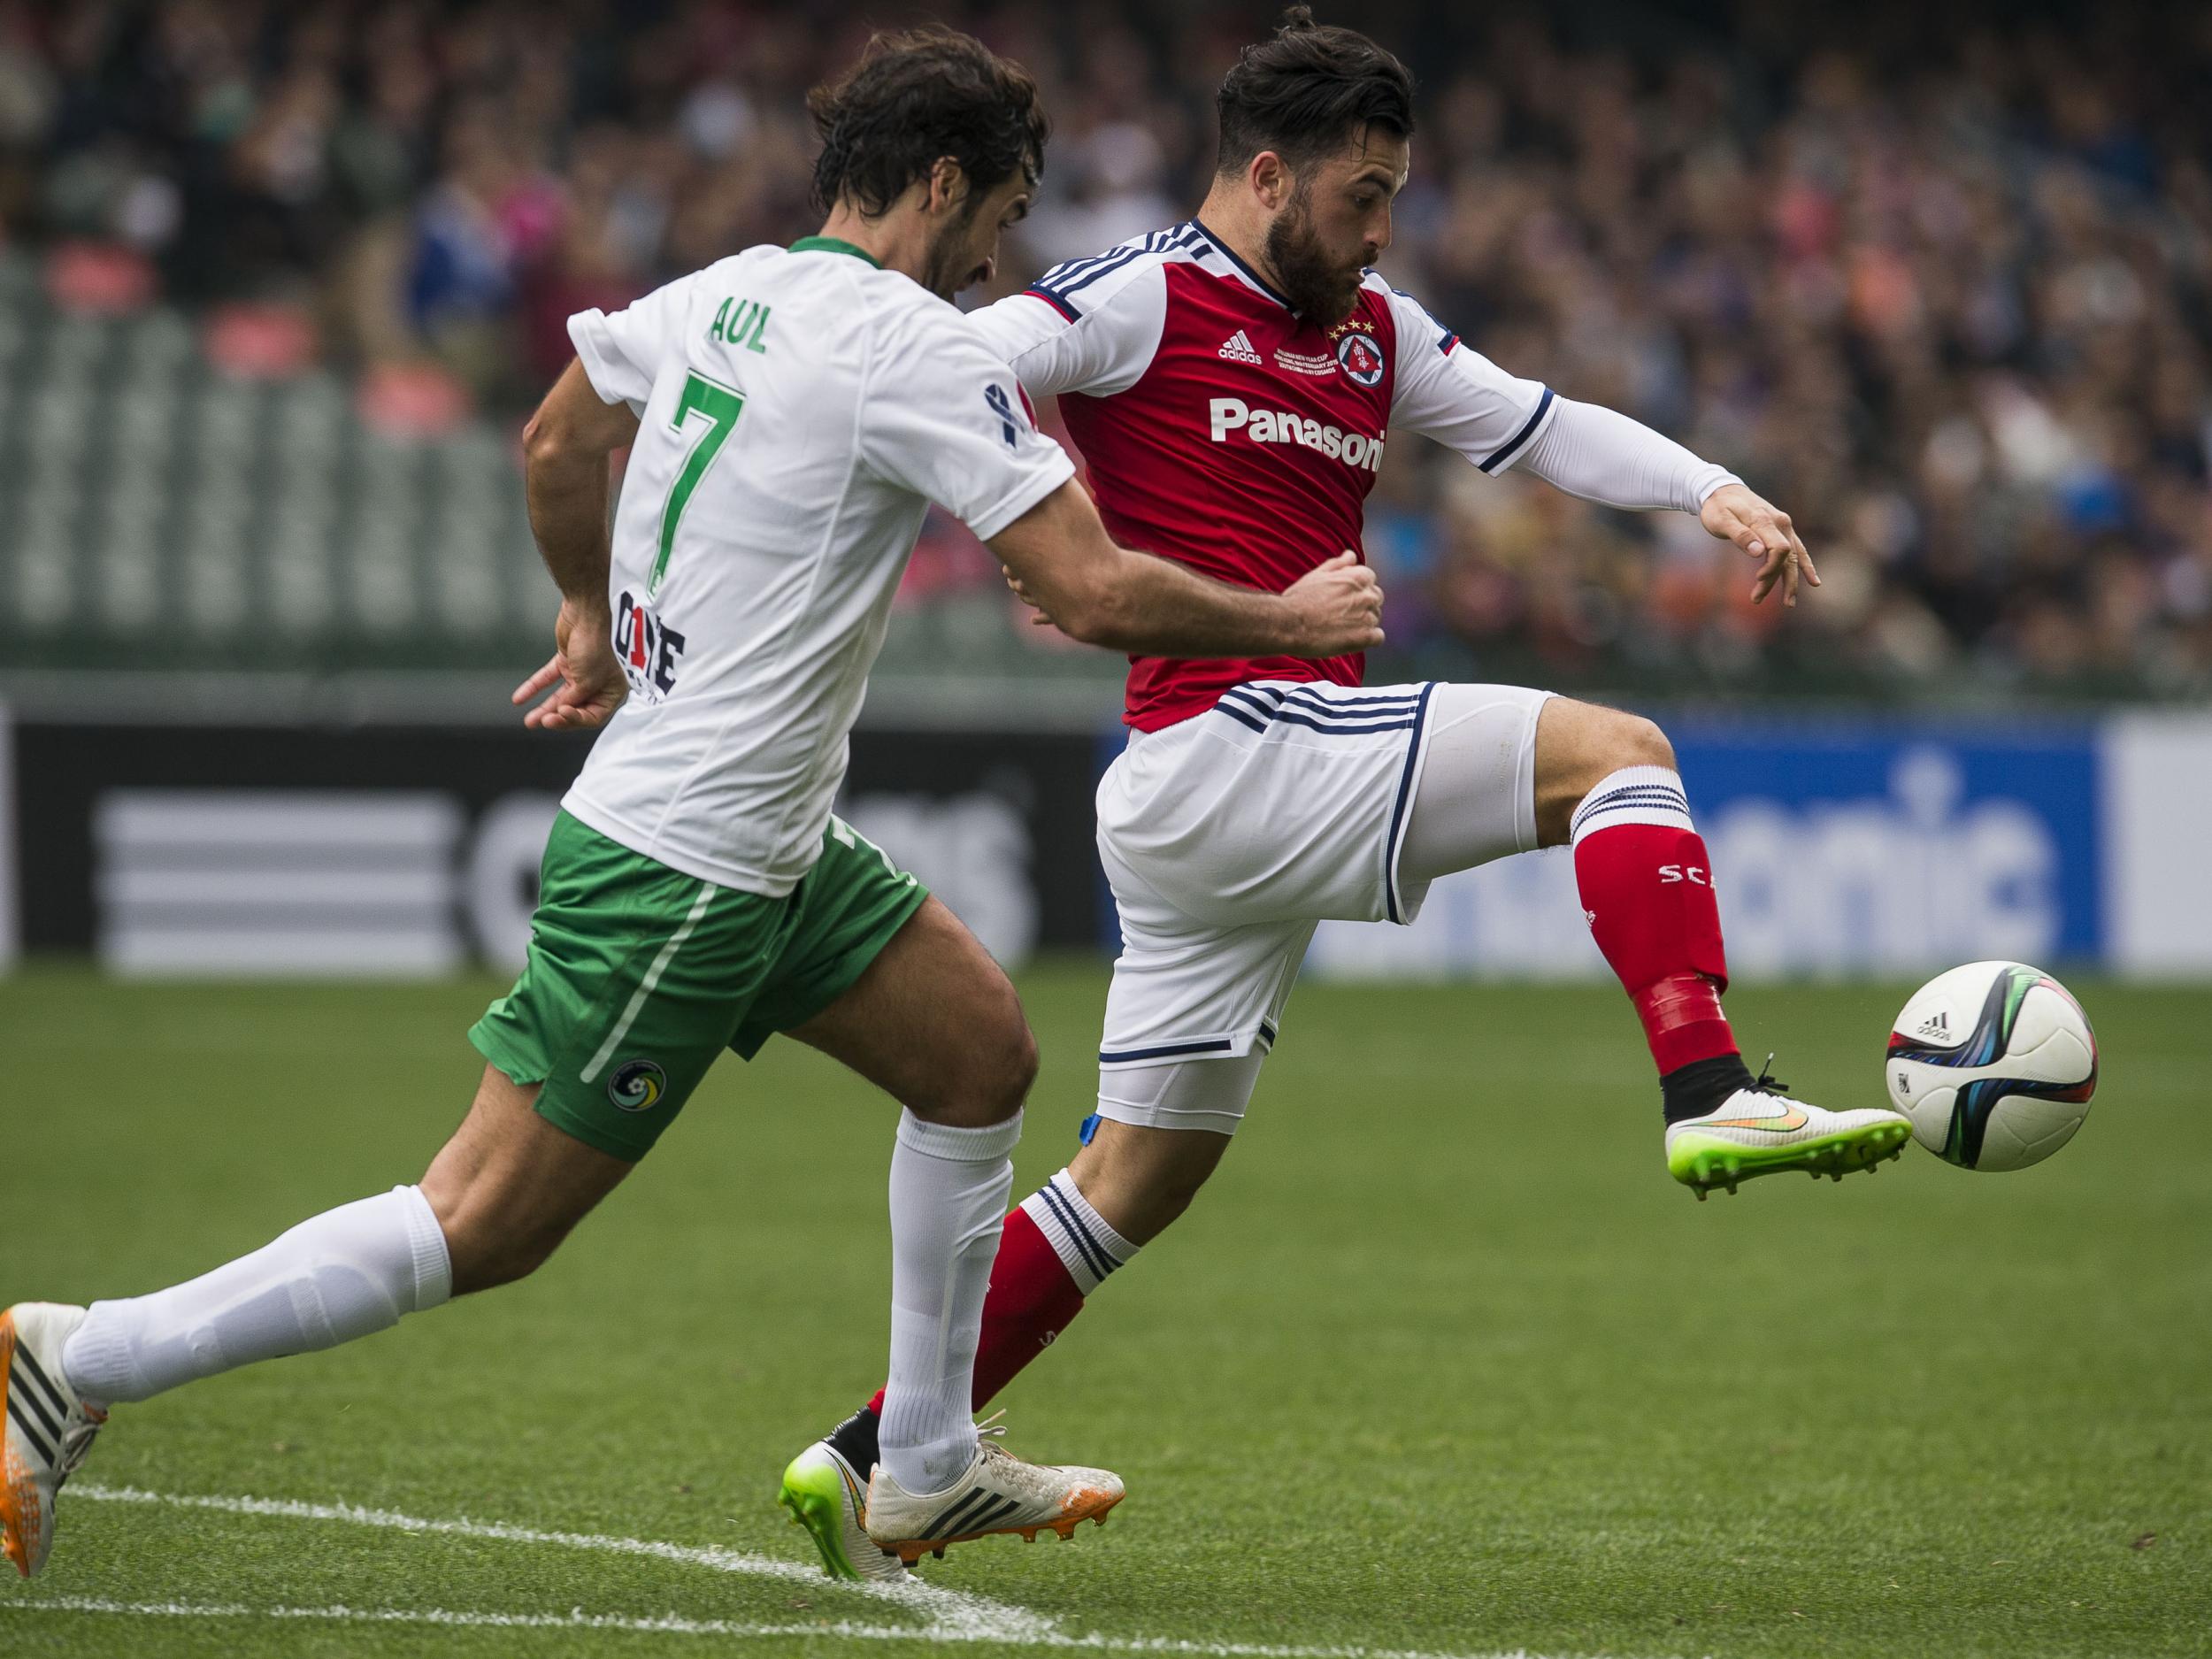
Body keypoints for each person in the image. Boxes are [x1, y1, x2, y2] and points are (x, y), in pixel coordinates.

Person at [0, 26, 1387, 1584]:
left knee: (980, 1050)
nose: (996, 269)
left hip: (767, 837)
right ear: (940, 184)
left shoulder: (724, 289)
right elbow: (1082, 584)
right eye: (995, 224)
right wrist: (1294, 621)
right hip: (690, 865)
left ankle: (923, 1460)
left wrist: (588, 616)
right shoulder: (913, 344)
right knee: (484, 1220)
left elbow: (555, 438)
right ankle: (84, 1357)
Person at [779, 7, 1912, 1582]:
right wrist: (1020, 513)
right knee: (1619, 754)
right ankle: (1710, 1091)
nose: (1380, 228)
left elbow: (1538, 421)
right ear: (1264, 173)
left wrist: (1707, 491)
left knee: (1140, 1176)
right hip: (1232, 742)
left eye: (1393, 197)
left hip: (1216, 805)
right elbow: (972, 354)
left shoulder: (1376, 328)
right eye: (1360, 195)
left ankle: (877, 1454)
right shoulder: (1149, 293)